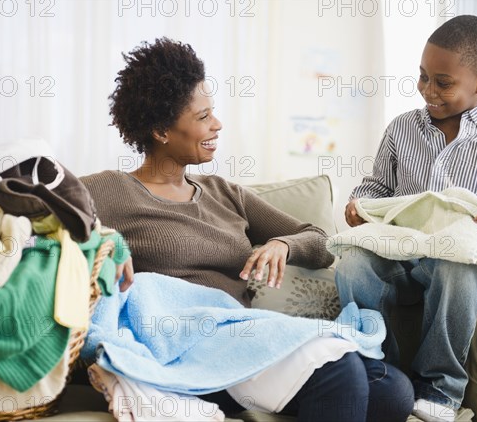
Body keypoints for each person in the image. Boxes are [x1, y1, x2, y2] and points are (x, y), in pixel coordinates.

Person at [81, 37, 413, 421]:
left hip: (240, 338)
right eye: (203, 116)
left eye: (213, 112)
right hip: (183, 349)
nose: (217, 124)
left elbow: (323, 241)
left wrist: (283, 245)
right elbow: (32, 209)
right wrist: (103, 241)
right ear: (161, 131)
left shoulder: (225, 193)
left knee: (393, 392)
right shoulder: (108, 190)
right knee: (340, 372)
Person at [336, 15, 477, 422]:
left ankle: (440, 389)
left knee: (455, 265)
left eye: (443, 82)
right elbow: (376, 188)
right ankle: (383, 375)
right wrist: (357, 205)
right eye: (422, 77)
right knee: (353, 264)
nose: (428, 91)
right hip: (407, 257)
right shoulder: (402, 129)